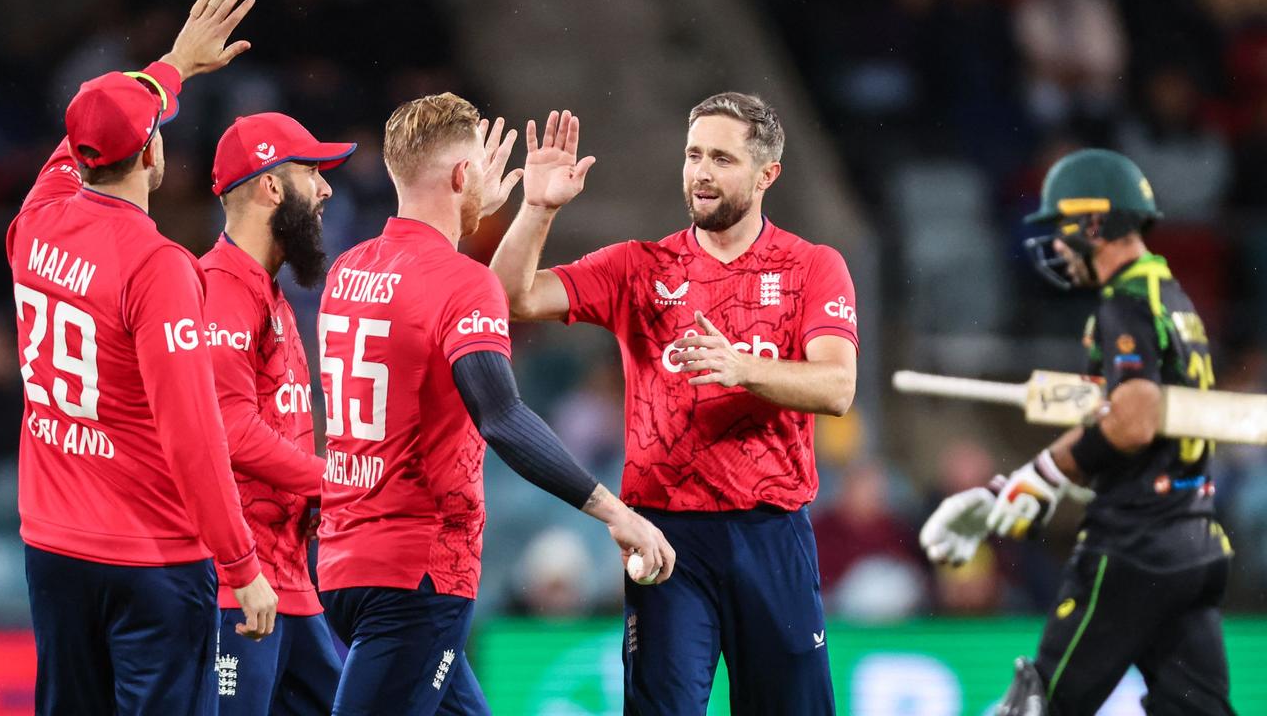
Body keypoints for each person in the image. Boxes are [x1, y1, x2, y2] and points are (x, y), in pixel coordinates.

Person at [491, 93, 859, 715]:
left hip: (771, 534)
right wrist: (536, 209)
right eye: (693, 155)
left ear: (768, 174)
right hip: (665, 537)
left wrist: (741, 367)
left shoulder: (812, 267)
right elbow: (507, 300)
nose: (702, 172)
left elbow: (837, 388)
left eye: (722, 158)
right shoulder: (639, 266)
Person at [315, 93, 675, 716]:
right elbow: (502, 418)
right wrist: (615, 512)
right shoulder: (461, 281)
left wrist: (517, 208)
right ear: (460, 176)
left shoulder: (349, 269)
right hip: (419, 571)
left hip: (344, 560)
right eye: (478, 166)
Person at [6, 0, 278, 714]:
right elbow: (193, 434)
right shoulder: (157, 266)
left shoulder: (35, 217)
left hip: (53, 548)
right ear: (156, 153)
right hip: (150, 557)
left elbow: (79, 144)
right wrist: (242, 563)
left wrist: (172, 69)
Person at [921, 149, 1235, 715]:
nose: (1057, 246)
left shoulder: (1127, 304)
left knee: (1038, 705)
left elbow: (1133, 419)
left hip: (1133, 545)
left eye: (1062, 228)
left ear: (1095, 222)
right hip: (1193, 541)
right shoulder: (1174, 298)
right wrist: (1018, 485)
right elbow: (1117, 422)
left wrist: (1043, 476)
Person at [203, 112, 357, 714]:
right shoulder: (220, 288)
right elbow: (229, 430)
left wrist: (314, 498)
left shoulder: (267, 291)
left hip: (287, 577)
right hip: (236, 586)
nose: (326, 190)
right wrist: (341, 487)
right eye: (311, 172)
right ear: (271, 186)